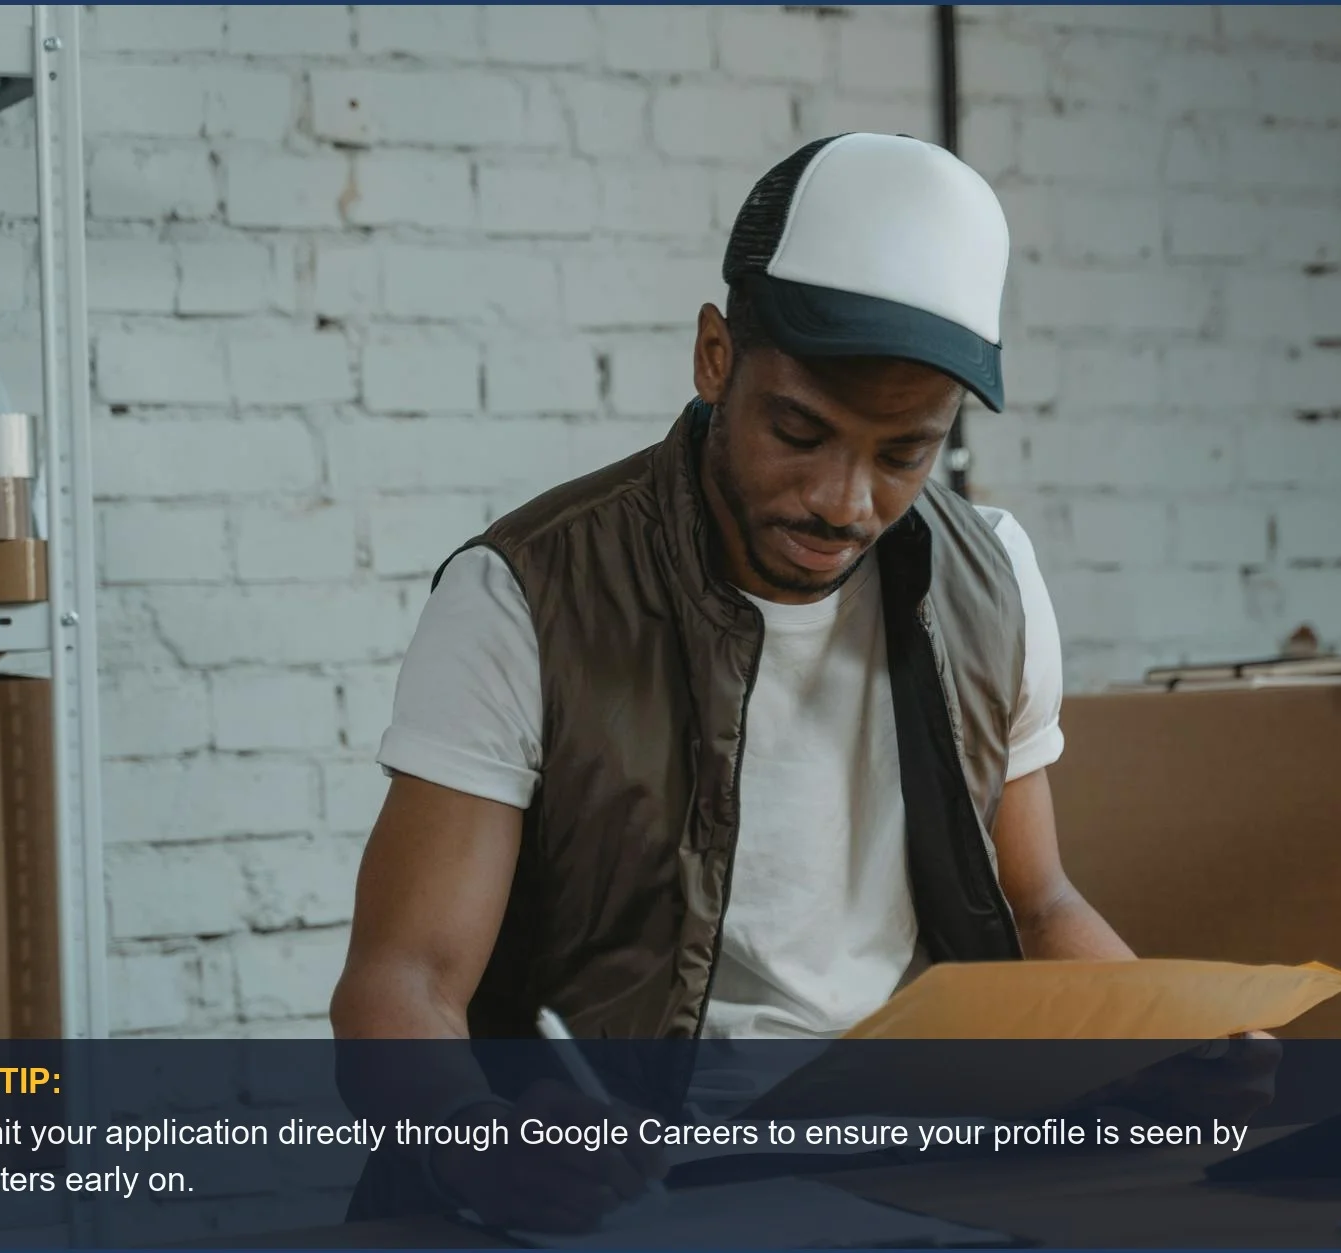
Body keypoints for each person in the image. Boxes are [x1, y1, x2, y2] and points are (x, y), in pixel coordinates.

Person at [330, 133, 1274, 1231]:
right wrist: (486, 1154)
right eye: (800, 431)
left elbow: (1035, 899)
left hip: (904, 1175)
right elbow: (401, 982)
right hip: (626, 1191)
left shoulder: (991, 578)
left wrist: (1160, 1041)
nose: (843, 499)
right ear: (715, 357)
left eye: (901, 454)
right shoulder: (526, 594)